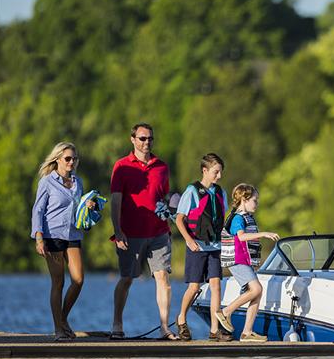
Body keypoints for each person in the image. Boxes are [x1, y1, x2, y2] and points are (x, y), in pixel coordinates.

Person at [109, 123, 177, 340]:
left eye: (150, 139)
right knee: (127, 278)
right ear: (132, 140)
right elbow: (115, 201)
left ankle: (165, 327)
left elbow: (163, 198)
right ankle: (117, 324)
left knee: (163, 278)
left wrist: (170, 213)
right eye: (142, 138)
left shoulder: (162, 167)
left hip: (159, 232)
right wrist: (117, 230)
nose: (146, 142)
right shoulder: (121, 166)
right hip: (131, 233)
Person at [31, 142, 96, 340]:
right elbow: (38, 210)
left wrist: (89, 205)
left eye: (74, 159)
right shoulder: (47, 182)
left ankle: (63, 319)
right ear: (58, 159)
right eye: (67, 158)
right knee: (58, 282)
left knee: (78, 280)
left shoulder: (78, 182)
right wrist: (39, 237)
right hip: (52, 235)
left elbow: (79, 208)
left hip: (73, 235)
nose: (71, 162)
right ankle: (58, 329)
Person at [174, 153, 229, 341]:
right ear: (205, 171)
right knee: (194, 287)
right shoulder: (192, 191)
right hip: (197, 245)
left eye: (221, 172)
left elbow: (223, 219)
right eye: (216, 172)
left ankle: (215, 330)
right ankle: (181, 319)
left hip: (215, 246)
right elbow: (179, 219)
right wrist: (188, 240)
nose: (219, 176)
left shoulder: (221, 193)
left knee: (216, 285)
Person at [217, 184, 279, 341]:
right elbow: (241, 237)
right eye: (254, 200)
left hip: (244, 260)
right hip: (237, 260)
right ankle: (225, 312)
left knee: (257, 293)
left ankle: (247, 332)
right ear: (244, 200)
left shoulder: (248, 217)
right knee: (256, 288)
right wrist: (264, 233)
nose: (256, 204)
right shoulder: (238, 218)